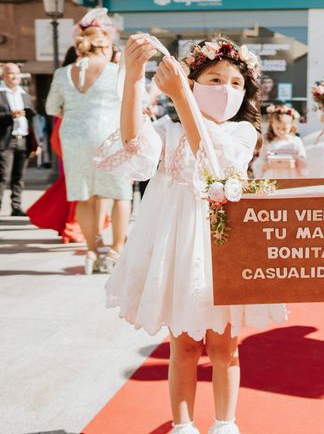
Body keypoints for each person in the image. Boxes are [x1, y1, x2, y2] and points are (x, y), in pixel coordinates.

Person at [95, 34, 286, 434]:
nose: (226, 90)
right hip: (176, 243)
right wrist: (132, 77)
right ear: (194, 81)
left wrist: (181, 97)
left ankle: (224, 423)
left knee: (224, 345)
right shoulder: (168, 129)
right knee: (182, 345)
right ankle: (182, 425)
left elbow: (215, 168)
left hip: (222, 244)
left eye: (236, 83)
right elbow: (133, 149)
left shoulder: (243, 134)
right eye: (214, 80)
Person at [45, 8, 130, 275]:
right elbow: (132, 105)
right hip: (108, 136)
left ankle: (92, 252)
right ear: (106, 42)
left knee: (83, 196)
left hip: (73, 136)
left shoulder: (62, 74)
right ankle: (116, 251)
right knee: (119, 194)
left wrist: (76, 113)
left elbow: (51, 107)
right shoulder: (116, 71)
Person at [27, 47, 84, 243]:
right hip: (71, 132)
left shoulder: (77, 74)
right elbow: (53, 107)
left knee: (72, 180)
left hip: (70, 130)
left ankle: (69, 224)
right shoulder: (68, 76)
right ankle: (71, 225)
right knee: (76, 181)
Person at [0, 63, 39, 216]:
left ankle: (16, 207)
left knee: (19, 176)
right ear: (3, 75)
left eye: (17, 73)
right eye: (11, 73)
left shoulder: (25, 95)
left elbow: (32, 120)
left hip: (23, 139)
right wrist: (10, 116)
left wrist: (37, 143)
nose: (15, 76)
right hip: (5, 141)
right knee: (3, 176)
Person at [253, 103, 306, 179]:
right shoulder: (268, 141)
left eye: (284, 129)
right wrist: (267, 165)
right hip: (271, 175)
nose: (281, 132)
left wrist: (296, 162)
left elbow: (303, 159)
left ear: (291, 126)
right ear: (272, 125)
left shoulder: (295, 141)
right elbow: (261, 160)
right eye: (277, 128)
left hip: (290, 175)